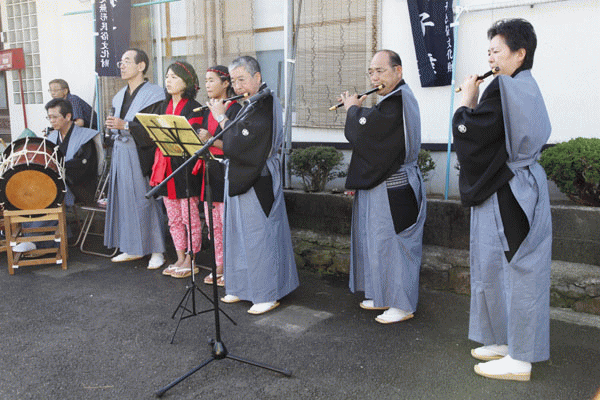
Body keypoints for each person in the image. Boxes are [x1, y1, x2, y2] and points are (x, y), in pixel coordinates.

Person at [452, 19, 552, 382]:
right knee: (498, 265)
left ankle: (521, 357)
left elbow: (475, 134)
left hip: (512, 188)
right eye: (489, 51)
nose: (491, 57)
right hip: (517, 184)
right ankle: (506, 340)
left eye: (497, 51)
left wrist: (467, 102)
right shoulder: (521, 85)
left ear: (520, 54)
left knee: (518, 270)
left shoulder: (504, 88)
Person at [338, 50, 426, 324]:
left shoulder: (398, 101)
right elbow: (373, 130)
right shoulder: (390, 103)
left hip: (394, 185)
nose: (375, 77)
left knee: (395, 244)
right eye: (371, 72)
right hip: (383, 185)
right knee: (378, 243)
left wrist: (354, 110)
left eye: (381, 71)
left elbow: (367, 134)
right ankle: (382, 295)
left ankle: (402, 304)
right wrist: (361, 111)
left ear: (398, 71)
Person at [212, 56, 299, 315]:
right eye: (234, 81)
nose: (237, 87)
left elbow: (243, 143)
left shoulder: (266, 102)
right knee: (238, 234)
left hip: (258, 176)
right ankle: (241, 287)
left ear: (257, 78)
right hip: (239, 174)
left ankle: (266, 293)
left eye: (242, 79)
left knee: (260, 236)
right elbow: (227, 141)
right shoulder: (243, 104)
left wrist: (221, 119)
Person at [11, 98, 101, 253]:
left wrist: (56, 170)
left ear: (67, 117)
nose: (51, 120)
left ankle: (33, 239)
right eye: (49, 117)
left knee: (48, 190)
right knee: (30, 187)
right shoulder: (52, 138)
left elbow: (84, 168)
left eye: (54, 117)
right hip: (61, 182)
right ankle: (35, 238)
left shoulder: (85, 137)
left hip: (81, 186)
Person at [104, 48, 166, 270]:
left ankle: (157, 250)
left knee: (144, 201)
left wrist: (126, 125)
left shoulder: (155, 94)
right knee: (123, 200)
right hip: (121, 151)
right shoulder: (119, 95)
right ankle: (131, 247)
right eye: (121, 61)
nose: (121, 65)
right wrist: (112, 128)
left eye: (127, 61)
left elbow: (155, 128)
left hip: (141, 153)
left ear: (141, 66)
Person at [149, 61, 204, 279]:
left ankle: (192, 257)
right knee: (173, 217)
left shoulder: (195, 107)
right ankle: (180, 256)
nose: (169, 81)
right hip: (165, 167)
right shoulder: (162, 106)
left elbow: (193, 139)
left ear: (187, 81)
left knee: (189, 216)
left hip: (185, 168)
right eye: (167, 77)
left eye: (174, 77)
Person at [196, 65, 242, 287]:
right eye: (205, 81)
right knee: (212, 224)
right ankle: (218, 264)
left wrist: (211, 140)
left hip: (226, 169)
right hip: (209, 168)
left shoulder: (234, 109)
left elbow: (236, 145)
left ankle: (228, 267)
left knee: (226, 222)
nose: (207, 85)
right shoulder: (205, 110)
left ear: (226, 84)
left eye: (212, 80)